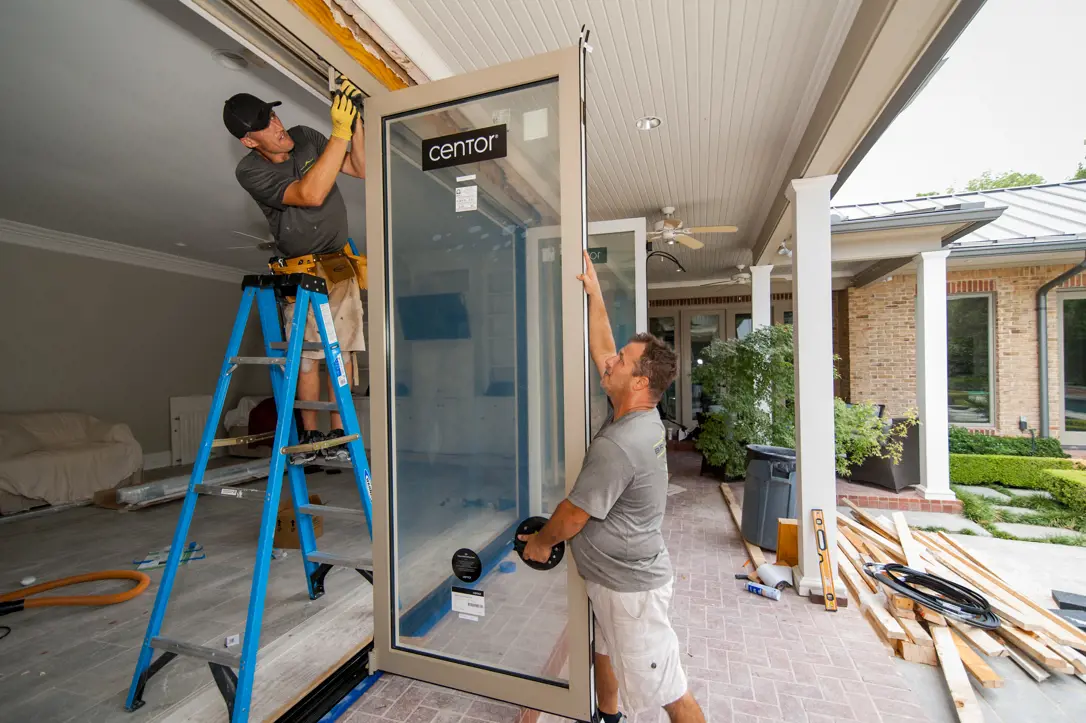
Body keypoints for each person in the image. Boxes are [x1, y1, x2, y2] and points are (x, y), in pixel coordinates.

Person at [518, 252, 704, 723]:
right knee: (605, 652)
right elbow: (603, 348)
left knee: (671, 694)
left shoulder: (622, 443)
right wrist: (594, 293)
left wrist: (542, 543)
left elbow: (574, 515)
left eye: (622, 360)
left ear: (639, 381)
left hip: (632, 592)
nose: (610, 361)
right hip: (613, 582)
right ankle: (609, 716)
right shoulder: (639, 413)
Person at [223, 79, 366, 464]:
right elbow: (310, 194)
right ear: (249, 141)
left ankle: (340, 434)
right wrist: (338, 133)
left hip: (339, 264)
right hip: (300, 272)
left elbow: (359, 166)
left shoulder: (304, 136)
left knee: (344, 353)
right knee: (307, 356)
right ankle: (313, 437)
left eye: (273, 114)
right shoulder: (250, 171)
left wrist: (356, 123)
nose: (277, 125)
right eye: (265, 125)